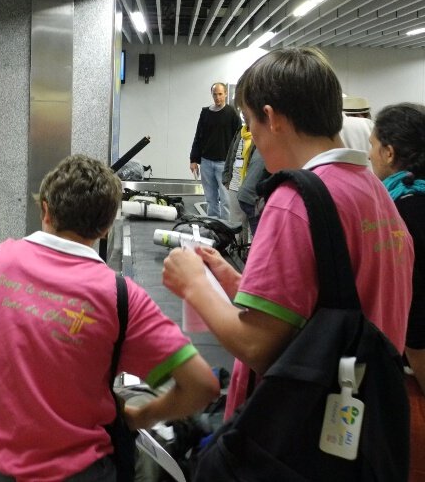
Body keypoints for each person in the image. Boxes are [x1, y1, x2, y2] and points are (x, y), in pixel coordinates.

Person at [163, 47, 413, 421]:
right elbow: (324, 303)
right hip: (360, 419)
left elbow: (257, 345)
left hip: (293, 431)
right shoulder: (377, 193)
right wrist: (237, 283)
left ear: (272, 118)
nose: (252, 137)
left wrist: (193, 284)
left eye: (250, 122)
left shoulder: (293, 201)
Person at [0, 154, 218, 481]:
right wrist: (138, 417)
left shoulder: (0, 259)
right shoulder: (121, 298)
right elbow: (203, 385)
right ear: (106, 226)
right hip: (75, 470)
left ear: (45, 209)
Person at [366, 102, 425, 477]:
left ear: (389, 152)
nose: (369, 155)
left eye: (372, 146)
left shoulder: (400, 214)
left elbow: (415, 316)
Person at [189, 82, 241, 220]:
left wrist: (237, 162)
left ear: (225, 94)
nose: (217, 97)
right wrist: (194, 159)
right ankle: (214, 226)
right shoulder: (205, 113)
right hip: (206, 162)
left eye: (220, 94)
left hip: (224, 163)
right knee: (210, 199)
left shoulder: (232, 114)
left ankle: (226, 228)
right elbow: (198, 136)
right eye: (214, 94)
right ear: (211, 95)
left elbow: (239, 139)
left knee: (226, 200)